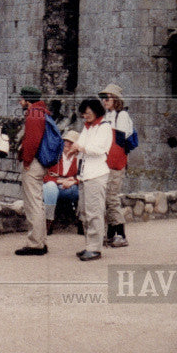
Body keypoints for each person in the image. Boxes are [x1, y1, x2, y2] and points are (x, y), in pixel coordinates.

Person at [72, 97, 112, 262]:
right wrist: (76, 149)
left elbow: (99, 149)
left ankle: (95, 248)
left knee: (95, 212)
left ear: (96, 112)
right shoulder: (87, 128)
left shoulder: (105, 127)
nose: (85, 116)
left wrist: (81, 148)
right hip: (85, 174)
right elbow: (80, 144)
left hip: (96, 174)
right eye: (84, 114)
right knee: (85, 212)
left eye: (88, 113)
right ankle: (89, 245)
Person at [15, 86, 49, 256]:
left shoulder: (34, 114)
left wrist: (26, 161)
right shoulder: (41, 112)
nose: (20, 101)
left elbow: (32, 141)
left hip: (33, 163)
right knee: (38, 203)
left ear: (28, 100)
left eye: (21, 98)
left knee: (33, 203)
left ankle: (35, 243)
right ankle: (40, 240)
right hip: (39, 162)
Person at [100, 83, 135, 248]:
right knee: (107, 198)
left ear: (115, 99)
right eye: (103, 98)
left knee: (111, 198)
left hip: (115, 163)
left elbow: (120, 143)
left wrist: (112, 163)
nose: (104, 101)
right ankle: (111, 233)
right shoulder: (109, 115)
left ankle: (121, 234)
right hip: (107, 162)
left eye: (107, 98)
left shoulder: (121, 116)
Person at [42, 130, 81, 234]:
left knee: (84, 190)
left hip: (72, 187)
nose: (67, 144)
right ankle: (48, 221)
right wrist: (60, 181)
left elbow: (86, 176)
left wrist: (73, 181)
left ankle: (82, 222)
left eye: (71, 142)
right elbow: (44, 175)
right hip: (55, 185)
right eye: (65, 141)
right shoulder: (55, 156)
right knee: (50, 188)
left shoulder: (80, 159)